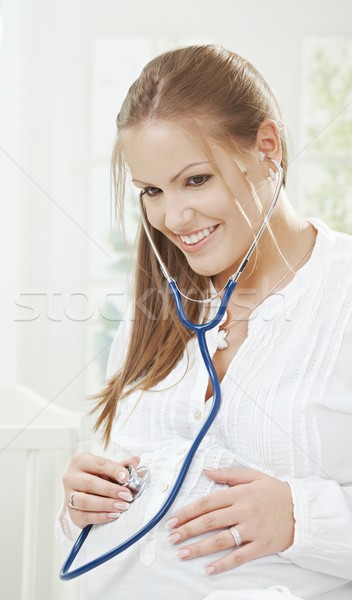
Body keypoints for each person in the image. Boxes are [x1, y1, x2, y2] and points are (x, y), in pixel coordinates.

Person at [56, 45, 352, 600]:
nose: (173, 218)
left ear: (267, 147)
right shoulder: (156, 307)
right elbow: (107, 505)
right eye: (152, 191)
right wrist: (80, 508)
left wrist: (301, 516)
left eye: (195, 180)